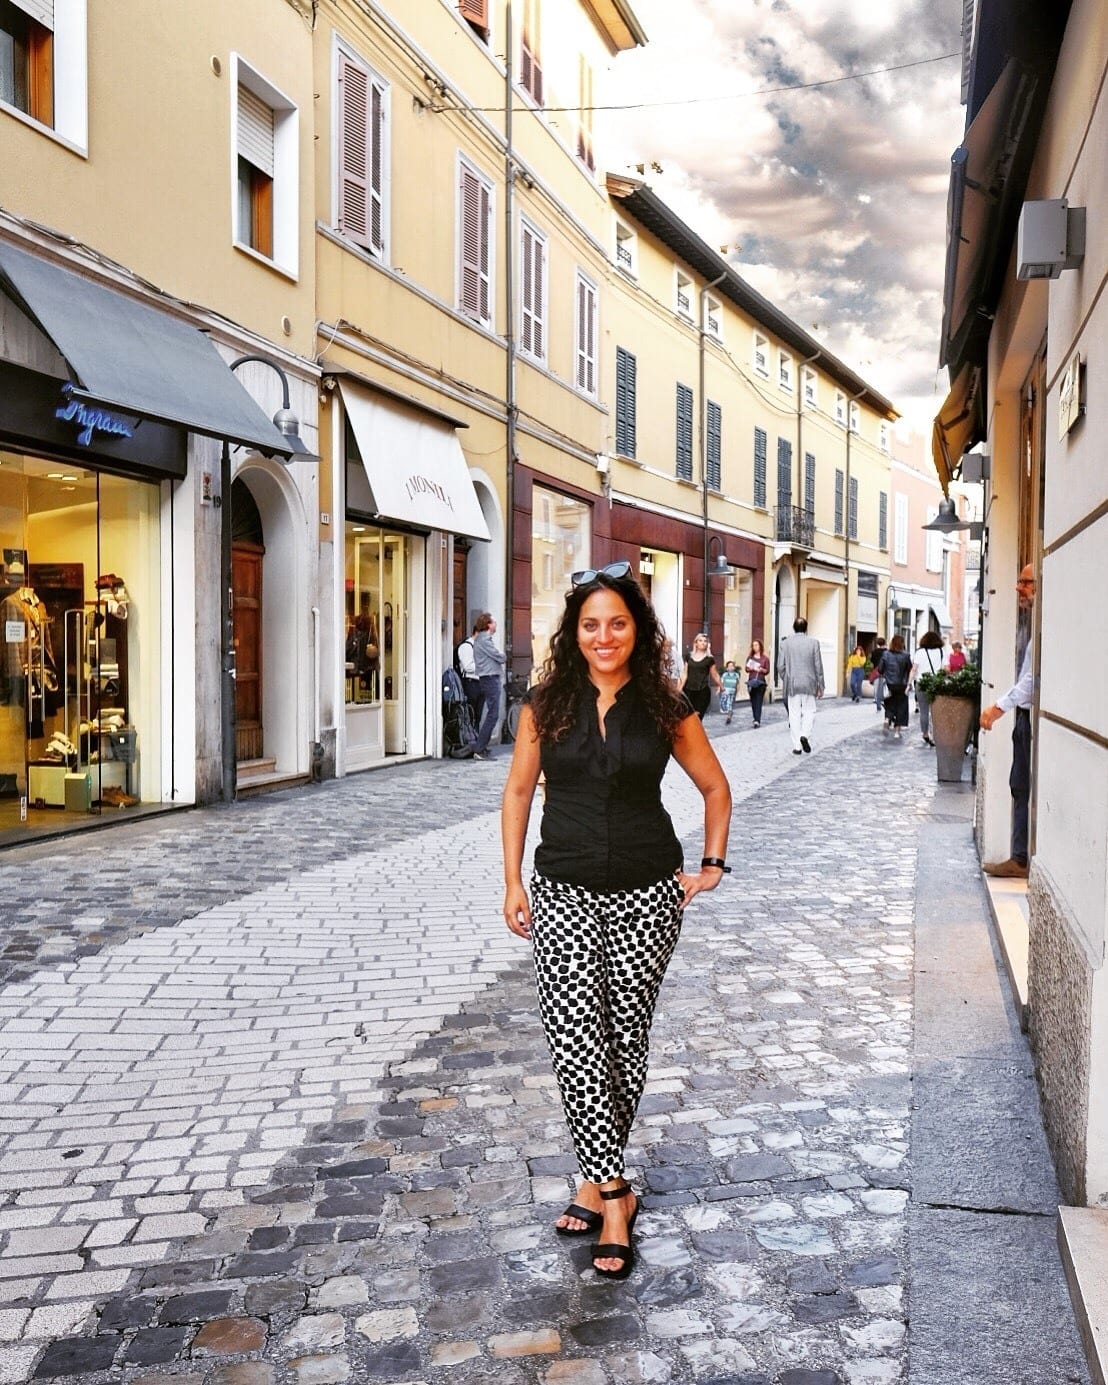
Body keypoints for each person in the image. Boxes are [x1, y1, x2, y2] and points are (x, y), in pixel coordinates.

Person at [501, 560, 731, 1281]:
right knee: (575, 1038)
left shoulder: (665, 703)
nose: (604, 635)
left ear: (638, 629)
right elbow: (517, 789)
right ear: (574, 631)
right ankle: (614, 1197)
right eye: (591, 624)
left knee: (623, 1040)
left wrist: (712, 864)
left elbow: (715, 786)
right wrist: (512, 878)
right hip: (563, 887)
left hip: (646, 892)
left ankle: (591, 1179)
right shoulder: (545, 704)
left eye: (618, 623)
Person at [979, 564, 1036, 878]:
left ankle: (1020, 858)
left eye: (1025, 582)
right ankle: (1019, 855)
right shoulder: (1031, 622)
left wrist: (997, 708)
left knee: (1022, 785)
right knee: (1018, 784)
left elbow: (1030, 680)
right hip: (1024, 716)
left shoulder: (1042, 625)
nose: (1018, 588)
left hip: (1028, 716)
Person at [780, 616, 823, 755]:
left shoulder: (785, 644)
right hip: (809, 682)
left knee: (794, 714)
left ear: (794, 628)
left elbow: (780, 666)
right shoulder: (814, 643)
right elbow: (818, 666)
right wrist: (820, 684)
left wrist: (786, 678)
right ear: (806, 628)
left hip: (792, 682)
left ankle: (797, 746)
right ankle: (805, 735)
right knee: (810, 711)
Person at [471, 612, 506, 760]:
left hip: (488, 678)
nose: (495, 625)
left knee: (491, 714)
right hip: (490, 679)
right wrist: (503, 656)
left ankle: (481, 747)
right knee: (493, 714)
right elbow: (499, 656)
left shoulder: (482, 639)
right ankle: (479, 749)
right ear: (488, 625)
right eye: (494, 622)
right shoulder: (484, 640)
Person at [908, 630, 944, 746]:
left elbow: (914, 669)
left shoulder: (919, 652)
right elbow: (946, 668)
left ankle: (925, 734)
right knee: (936, 711)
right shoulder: (941, 651)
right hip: (936, 683)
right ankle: (935, 735)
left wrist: (908, 684)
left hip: (921, 683)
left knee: (924, 711)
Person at [680, 633, 723, 720]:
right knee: (687, 717)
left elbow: (714, 674)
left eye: (705, 641)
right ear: (696, 643)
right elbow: (684, 673)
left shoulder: (709, 659)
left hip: (702, 692)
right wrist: (679, 689)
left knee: (697, 718)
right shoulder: (689, 656)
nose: (703, 643)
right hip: (688, 690)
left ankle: (696, 733)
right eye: (700, 641)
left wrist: (721, 686)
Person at [879, 635, 912, 739]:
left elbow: (880, 669)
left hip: (889, 684)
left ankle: (887, 720)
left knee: (889, 704)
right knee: (901, 707)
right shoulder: (906, 656)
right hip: (902, 685)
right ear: (902, 644)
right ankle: (897, 732)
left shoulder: (886, 654)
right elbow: (910, 669)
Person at [455, 624, 483, 727]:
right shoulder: (466, 647)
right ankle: (470, 738)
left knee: (478, 715)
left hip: (481, 683)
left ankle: (476, 738)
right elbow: (468, 667)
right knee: (470, 713)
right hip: (471, 683)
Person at [744, 640, 770, 727]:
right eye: (753, 645)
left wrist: (762, 669)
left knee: (759, 701)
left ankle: (757, 720)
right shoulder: (750, 658)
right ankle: (755, 717)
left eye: (756, 645)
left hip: (761, 682)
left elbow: (767, 671)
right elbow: (746, 669)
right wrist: (751, 668)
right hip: (751, 681)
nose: (755, 647)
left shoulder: (765, 658)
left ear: (760, 646)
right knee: (753, 700)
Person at [870, 637, 887, 714]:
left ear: (877, 644)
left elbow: (872, 661)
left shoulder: (874, 652)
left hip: (876, 671)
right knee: (884, 687)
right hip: (885, 672)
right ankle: (884, 700)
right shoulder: (887, 652)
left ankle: (878, 704)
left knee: (876, 688)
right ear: (884, 643)